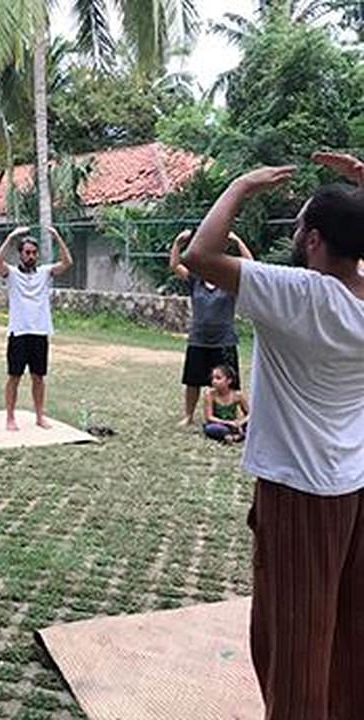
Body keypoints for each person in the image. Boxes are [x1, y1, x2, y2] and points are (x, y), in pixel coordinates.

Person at [182, 151, 364, 720]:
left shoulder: (303, 296)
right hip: (354, 486)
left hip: (299, 493)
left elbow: (199, 256)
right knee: (348, 636)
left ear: (311, 240)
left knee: (296, 646)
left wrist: (240, 185)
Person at [0, 225, 73, 431]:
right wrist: (11, 237)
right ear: (20, 254)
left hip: (39, 332)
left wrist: (56, 236)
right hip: (18, 332)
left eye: (34, 253)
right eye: (27, 252)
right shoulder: (11, 273)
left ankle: (39, 416)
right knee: (14, 376)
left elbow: (67, 262)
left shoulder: (45, 272)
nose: (31, 256)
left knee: (38, 376)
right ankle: (10, 418)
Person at [170, 229, 253, 425]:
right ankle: (188, 416)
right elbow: (175, 266)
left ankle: (233, 415)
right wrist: (177, 243)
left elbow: (251, 266)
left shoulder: (229, 280)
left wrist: (238, 241)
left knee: (229, 382)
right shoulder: (195, 281)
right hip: (199, 338)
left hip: (224, 340)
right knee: (192, 380)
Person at [201, 364, 248, 443]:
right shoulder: (210, 394)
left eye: (218, 378)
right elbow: (209, 417)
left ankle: (233, 436)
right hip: (219, 424)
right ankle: (235, 436)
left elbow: (250, 414)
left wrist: (240, 422)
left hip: (234, 424)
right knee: (210, 428)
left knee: (253, 425)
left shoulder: (237, 395)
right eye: (212, 378)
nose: (214, 381)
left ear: (229, 381)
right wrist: (228, 423)